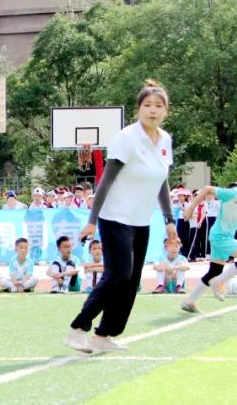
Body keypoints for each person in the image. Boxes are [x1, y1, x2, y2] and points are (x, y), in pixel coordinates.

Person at [66, 80, 178, 354]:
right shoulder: (126, 138)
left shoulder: (164, 140)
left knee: (131, 282)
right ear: (138, 109)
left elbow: (161, 180)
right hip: (115, 218)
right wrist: (92, 220)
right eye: (147, 105)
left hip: (141, 221)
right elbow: (105, 181)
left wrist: (169, 218)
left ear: (166, 111)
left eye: (158, 106)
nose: (153, 111)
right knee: (118, 275)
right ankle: (77, 328)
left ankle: (104, 334)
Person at [181, 159, 237, 313]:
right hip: (219, 236)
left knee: (214, 271)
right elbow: (206, 189)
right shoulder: (233, 193)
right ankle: (218, 282)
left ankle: (189, 302)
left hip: (227, 236)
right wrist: (191, 209)